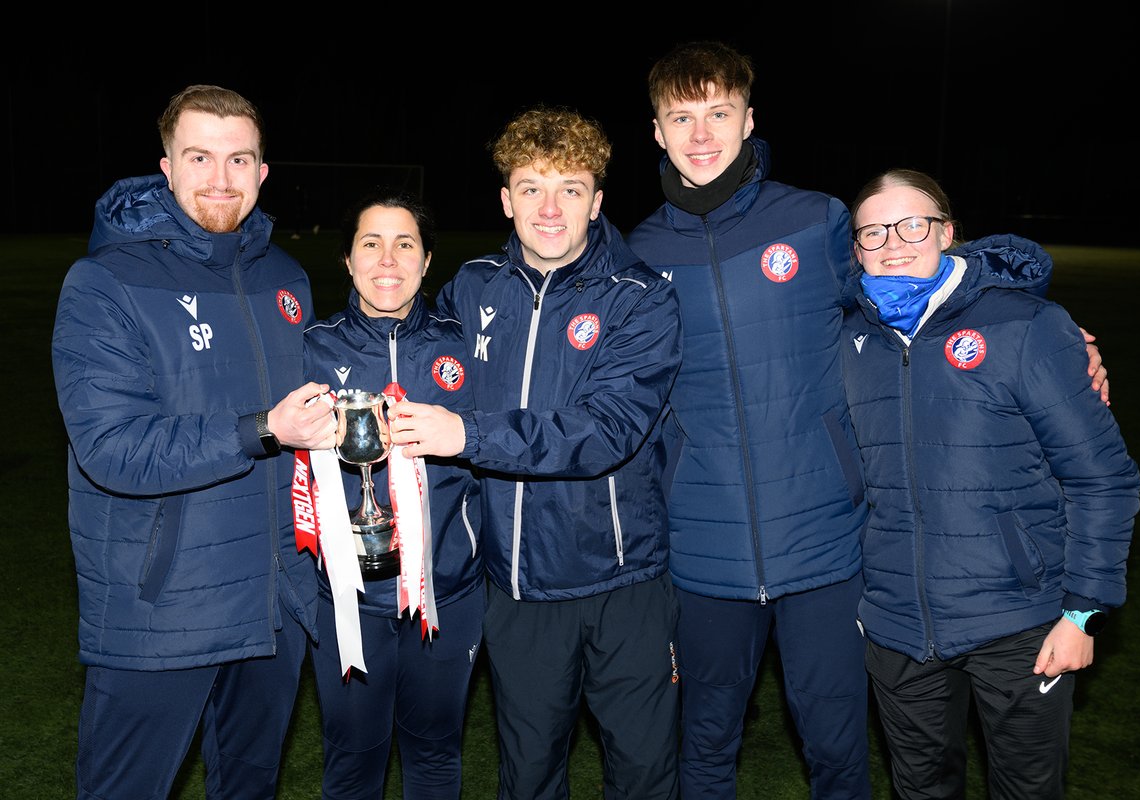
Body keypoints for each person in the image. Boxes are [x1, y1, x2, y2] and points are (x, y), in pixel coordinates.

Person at [623, 42, 1111, 799]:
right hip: (704, 549)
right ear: (655, 132)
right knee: (705, 746)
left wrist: (1040, 314)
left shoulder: (813, 221)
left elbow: (914, 269)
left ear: (749, 120)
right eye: (680, 116)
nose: (700, 133)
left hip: (825, 545)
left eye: (718, 112)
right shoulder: (638, 252)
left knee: (838, 749)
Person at [51, 85, 338, 798]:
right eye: (200, 157)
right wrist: (263, 429)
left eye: (239, 159)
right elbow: (113, 447)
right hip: (164, 612)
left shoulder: (286, 276)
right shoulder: (104, 282)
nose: (220, 178)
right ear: (166, 167)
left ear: (263, 171)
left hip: (276, 606)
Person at [392, 107, 684, 799]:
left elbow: (606, 430)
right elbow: (416, 368)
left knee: (643, 776)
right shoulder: (473, 287)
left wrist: (467, 436)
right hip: (517, 587)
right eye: (531, 188)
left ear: (598, 200)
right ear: (506, 199)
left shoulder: (641, 299)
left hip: (624, 582)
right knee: (527, 778)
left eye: (570, 189)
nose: (549, 209)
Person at [843, 168, 1140, 799]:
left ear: (948, 233)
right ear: (856, 249)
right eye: (873, 231)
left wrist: (1082, 614)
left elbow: (1104, 479)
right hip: (897, 625)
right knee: (920, 790)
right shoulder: (848, 338)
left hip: (1022, 624)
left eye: (912, 224)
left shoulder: (1024, 326)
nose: (893, 241)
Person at [303, 188, 483, 799]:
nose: (387, 259)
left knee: (434, 754)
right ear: (347, 261)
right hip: (347, 601)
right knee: (353, 760)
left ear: (428, 260)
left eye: (405, 244)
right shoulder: (311, 348)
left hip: (448, 595)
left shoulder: (464, 346)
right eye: (370, 243)